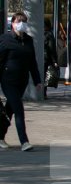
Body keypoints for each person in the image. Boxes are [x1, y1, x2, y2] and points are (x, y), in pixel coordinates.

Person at [0, 12, 42, 151]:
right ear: (12, 23)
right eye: (19, 21)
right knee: (18, 109)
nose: (21, 23)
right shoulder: (5, 39)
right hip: (8, 81)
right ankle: (24, 141)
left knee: (10, 109)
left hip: (22, 81)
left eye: (24, 21)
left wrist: (37, 81)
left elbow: (32, 62)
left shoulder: (28, 40)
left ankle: (0, 137)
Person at [44, 19, 59, 98]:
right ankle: (44, 93)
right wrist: (54, 61)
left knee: (42, 75)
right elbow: (51, 48)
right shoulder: (49, 34)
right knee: (45, 76)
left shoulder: (39, 34)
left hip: (41, 58)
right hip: (46, 59)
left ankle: (42, 92)